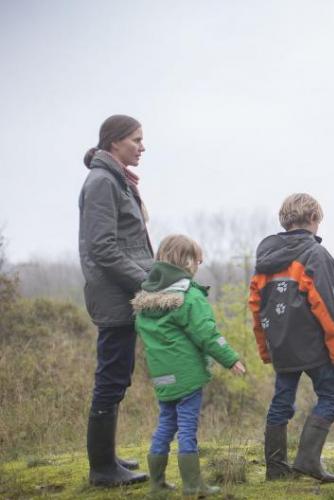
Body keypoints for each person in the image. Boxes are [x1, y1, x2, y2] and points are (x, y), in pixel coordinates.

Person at [132, 234, 246, 497]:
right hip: (187, 376)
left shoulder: (146, 297)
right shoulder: (189, 296)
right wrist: (231, 359)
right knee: (186, 427)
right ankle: (194, 485)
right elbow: (207, 334)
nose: (199, 264)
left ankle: (157, 484)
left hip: (161, 375)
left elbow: (144, 332)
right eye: (196, 259)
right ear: (185, 260)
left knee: (165, 424)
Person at [248, 193, 334, 483]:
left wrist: (265, 347)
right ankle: (307, 460)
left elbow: (255, 304)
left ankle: (276, 469)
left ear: (285, 220)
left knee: (281, 401)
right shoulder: (317, 255)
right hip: (314, 345)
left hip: (280, 344)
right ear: (314, 219)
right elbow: (327, 308)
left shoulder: (264, 258)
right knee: (330, 396)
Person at [78, 114, 152, 486]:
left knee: (117, 376)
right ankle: (102, 469)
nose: (142, 147)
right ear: (114, 141)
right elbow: (103, 248)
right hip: (115, 297)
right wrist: (147, 282)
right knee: (110, 378)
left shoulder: (116, 180)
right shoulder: (102, 182)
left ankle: (108, 458)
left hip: (125, 295)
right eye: (136, 140)